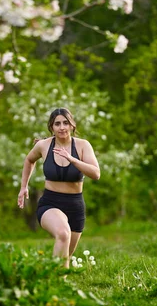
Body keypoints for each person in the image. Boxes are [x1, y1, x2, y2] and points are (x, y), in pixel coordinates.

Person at [17, 108, 100, 268]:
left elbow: (96, 174)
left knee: (64, 256)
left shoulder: (83, 146)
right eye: (57, 124)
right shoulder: (44, 146)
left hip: (75, 205)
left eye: (65, 123)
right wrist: (23, 186)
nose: (62, 127)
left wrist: (72, 159)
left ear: (72, 126)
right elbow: (29, 160)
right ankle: (56, 284)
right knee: (63, 234)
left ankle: (49, 278)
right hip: (50, 203)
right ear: (52, 127)